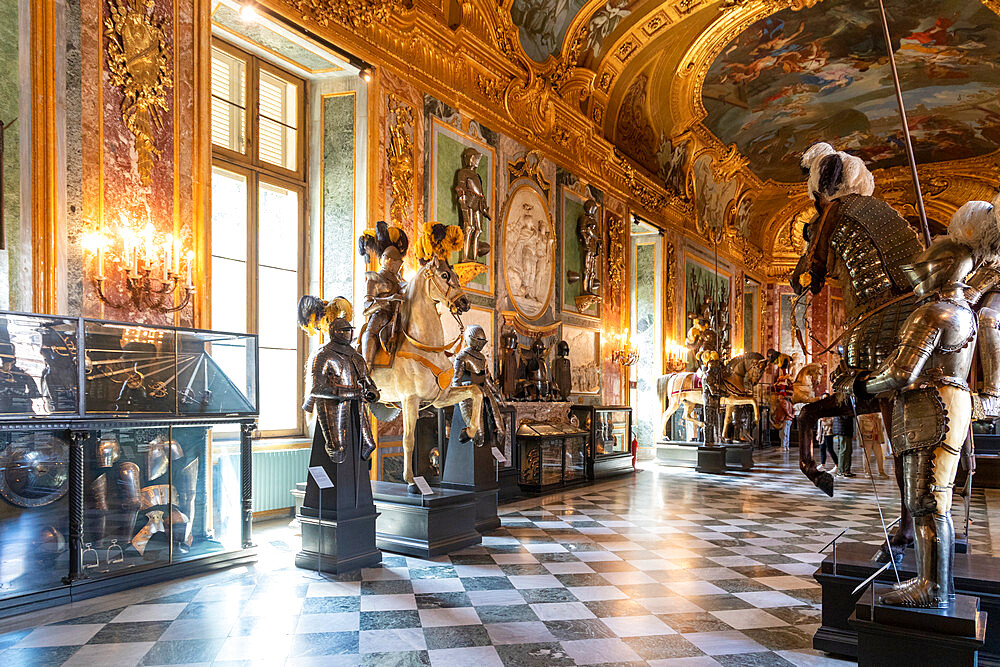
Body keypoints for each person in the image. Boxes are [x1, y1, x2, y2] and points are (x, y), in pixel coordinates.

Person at [360, 246, 406, 368]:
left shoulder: (399, 282)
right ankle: (366, 370)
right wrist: (388, 299)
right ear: (388, 260)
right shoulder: (374, 279)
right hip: (380, 317)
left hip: (398, 319)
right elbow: (366, 307)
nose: (398, 267)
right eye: (397, 263)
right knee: (369, 334)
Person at [455, 147, 491, 263]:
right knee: (469, 228)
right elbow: (460, 187)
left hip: (478, 202)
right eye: (474, 157)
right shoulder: (463, 172)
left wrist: (485, 208)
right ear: (469, 158)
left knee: (479, 230)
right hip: (469, 200)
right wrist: (463, 199)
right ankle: (465, 257)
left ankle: (474, 258)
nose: (476, 160)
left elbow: (482, 193)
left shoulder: (477, 176)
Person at [856, 412, 889, 478]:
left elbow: (880, 429)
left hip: (876, 439)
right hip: (866, 439)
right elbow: (859, 431)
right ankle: (867, 472)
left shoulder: (877, 417)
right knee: (866, 456)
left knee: (879, 456)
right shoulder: (861, 417)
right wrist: (860, 442)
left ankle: (881, 472)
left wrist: (881, 439)